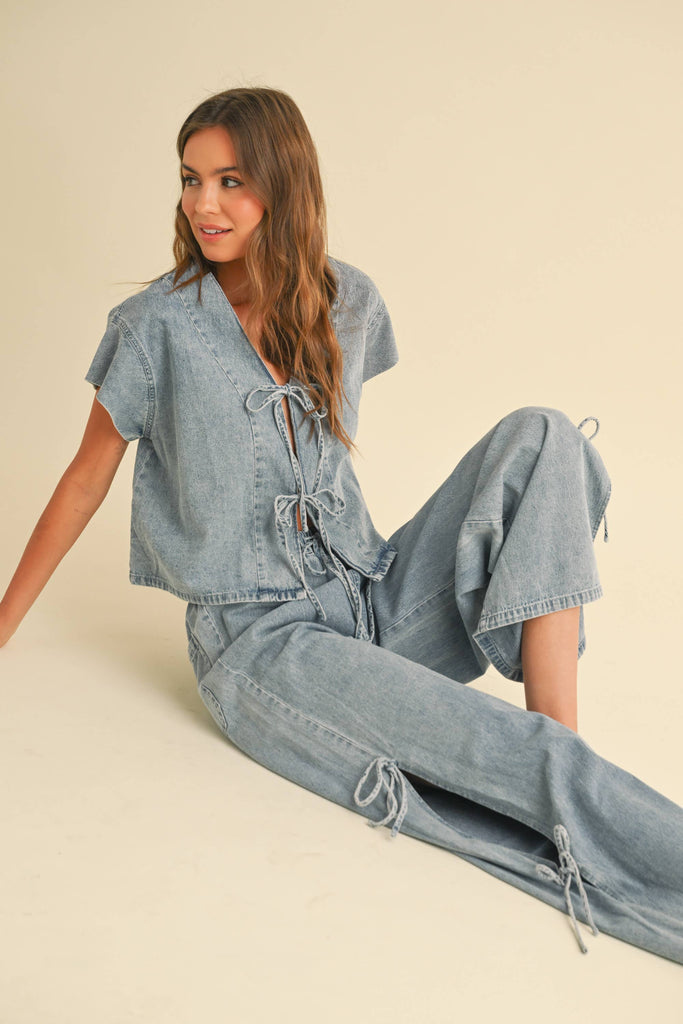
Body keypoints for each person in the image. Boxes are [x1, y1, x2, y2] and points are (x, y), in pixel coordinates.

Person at [1, 87, 681, 963]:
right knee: (506, 752)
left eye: (230, 180)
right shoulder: (153, 327)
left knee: (544, 435)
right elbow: (85, 479)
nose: (203, 203)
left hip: (369, 598)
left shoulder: (347, 299)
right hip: (263, 647)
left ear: (282, 184)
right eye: (190, 179)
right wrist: (5, 622)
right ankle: (557, 779)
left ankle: (558, 749)